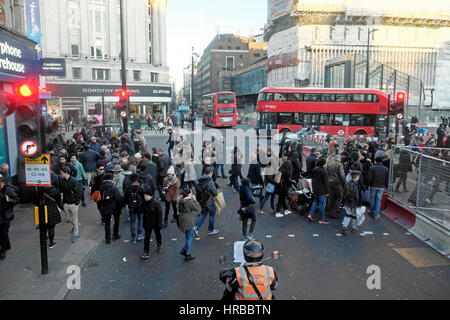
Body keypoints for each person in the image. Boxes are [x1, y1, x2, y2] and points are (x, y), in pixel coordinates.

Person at [193, 166, 219, 238]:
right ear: (211, 173)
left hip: (202, 201)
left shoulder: (201, 179)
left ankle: (196, 227)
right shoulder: (209, 181)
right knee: (212, 215)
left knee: (203, 214)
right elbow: (215, 193)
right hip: (209, 202)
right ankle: (211, 230)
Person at [99, 173, 124, 244]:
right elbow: (118, 198)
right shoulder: (114, 188)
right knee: (116, 221)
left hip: (105, 207)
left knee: (107, 223)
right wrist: (121, 205)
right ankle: (115, 235)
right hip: (115, 207)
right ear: (111, 179)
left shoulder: (101, 187)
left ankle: (107, 239)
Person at [60, 166, 82, 243]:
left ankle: (76, 235)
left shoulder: (74, 181)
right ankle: (76, 224)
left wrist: (76, 203)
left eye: (62, 173)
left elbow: (79, 193)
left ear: (66, 173)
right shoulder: (62, 180)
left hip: (73, 204)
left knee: (75, 220)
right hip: (66, 203)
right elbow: (62, 191)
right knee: (68, 219)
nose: (61, 174)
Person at [140, 185, 163, 260]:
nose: (145, 197)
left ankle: (159, 243)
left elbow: (160, 214)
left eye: (147, 196)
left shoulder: (156, 203)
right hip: (147, 224)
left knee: (157, 234)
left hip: (155, 223)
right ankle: (146, 252)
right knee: (147, 238)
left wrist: (160, 223)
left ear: (150, 196)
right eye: (144, 196)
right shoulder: (144, 203)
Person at [178, 188, 200, 261]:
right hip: (188, 220)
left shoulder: (181, 200)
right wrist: (194, 200)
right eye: (191, 193)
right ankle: (187, 253)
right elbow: (197, 208)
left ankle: (184, 249)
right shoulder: (188, 201)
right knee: (189, 238)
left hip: (182, 219)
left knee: (189, 236)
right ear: (188, 194)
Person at [0, 174, 19, 260]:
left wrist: (9, 200)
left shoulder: (8, 190)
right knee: (3, 232)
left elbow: (16, 200)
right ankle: (7, 245)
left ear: (2, 183)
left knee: (3, 232)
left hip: (6, 215)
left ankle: (2, 250)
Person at [307, 158, 330, 224]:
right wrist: (327, 191)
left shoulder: (314, 169)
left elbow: (312, 179)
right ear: (324, 164)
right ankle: (321, 219)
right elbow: (326, 182)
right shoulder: (324, 171)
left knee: (316, 202)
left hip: (315, 189)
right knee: (322, 205)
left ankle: (310, 214)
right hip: (322, 191)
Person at [124, 174, 145, 244]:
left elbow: (125, 199)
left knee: (132, 222)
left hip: (132, 208)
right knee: (140, 220)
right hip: (140, 207)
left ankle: (133, 237)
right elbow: (143, 198)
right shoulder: (140, 188)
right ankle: (139, 234)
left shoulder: (127, 188)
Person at [341, 170, 364, 235]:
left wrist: (343, 202)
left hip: (347, 202)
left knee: (348, 214)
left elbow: (344, 194)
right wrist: (359, 204)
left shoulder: (347, 183)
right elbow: (357, 195)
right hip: (354, 203)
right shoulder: (357, 185)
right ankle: (353, 228)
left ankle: (344, 226)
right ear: (357, 177)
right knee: (354, 215)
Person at [42, 181, 63, 248]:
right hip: (52, 210)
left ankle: (44, 239)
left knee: (44, 227)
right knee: (51, 227)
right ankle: (51, 243)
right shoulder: (55, 190)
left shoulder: (40, 190)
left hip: (42, 210)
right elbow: (59, 201)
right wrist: (62, 208)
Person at [326, 154, 346, 219]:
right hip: (337, 183)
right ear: (339, 158)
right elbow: (342, 175)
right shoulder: (340, 165)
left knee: (331, 197)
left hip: (330, 182)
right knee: (339, 198)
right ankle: (333, 212)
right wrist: (345, 182)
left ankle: (329, 210)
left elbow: (327, 174)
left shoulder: (329, 164)